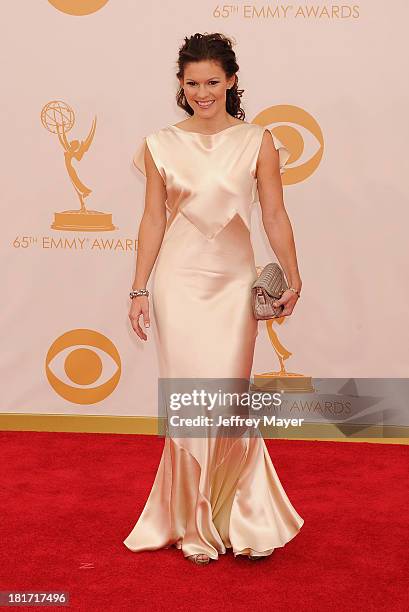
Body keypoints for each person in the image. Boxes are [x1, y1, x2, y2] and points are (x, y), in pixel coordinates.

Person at [123, 32, 304, 566]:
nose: (202, 92)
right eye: (192, 83)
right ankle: (192, 523)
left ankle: (238, 516)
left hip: (233, 284)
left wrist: (292, 274)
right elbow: (153, 218)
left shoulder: (258, 141)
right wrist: (138, 287)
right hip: (177, 282)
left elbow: (273, 214)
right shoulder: (159, 144)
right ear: (180, 85)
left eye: (212, 82)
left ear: (231, 82)